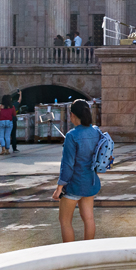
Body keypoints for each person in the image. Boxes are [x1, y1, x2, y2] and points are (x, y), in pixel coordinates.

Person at [52, 100, 100, 243]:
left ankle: (70, 255)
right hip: (90, 181)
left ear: (72, 115)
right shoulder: (96, 131)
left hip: (74, 184)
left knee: (65, 221)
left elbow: (67, 165)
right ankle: (88, 252)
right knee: (89, 218)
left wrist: (59, 187)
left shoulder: (72, 136)